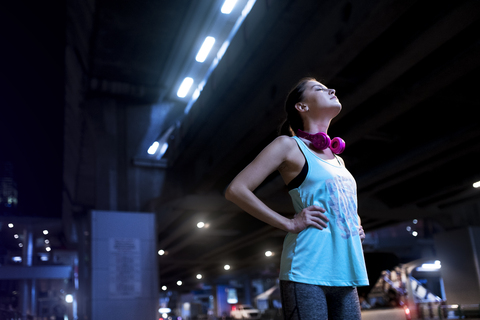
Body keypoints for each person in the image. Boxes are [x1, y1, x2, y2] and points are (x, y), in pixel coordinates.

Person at [225, 77, 369, 320]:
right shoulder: (288, 146)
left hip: (345, 271)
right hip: (307, 270)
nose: (331, 89)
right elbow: (236, 190)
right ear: (302, 107)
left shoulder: (338, 160)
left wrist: (354, 223)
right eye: (319, 89)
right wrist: (289, 224)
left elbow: (339, 202)